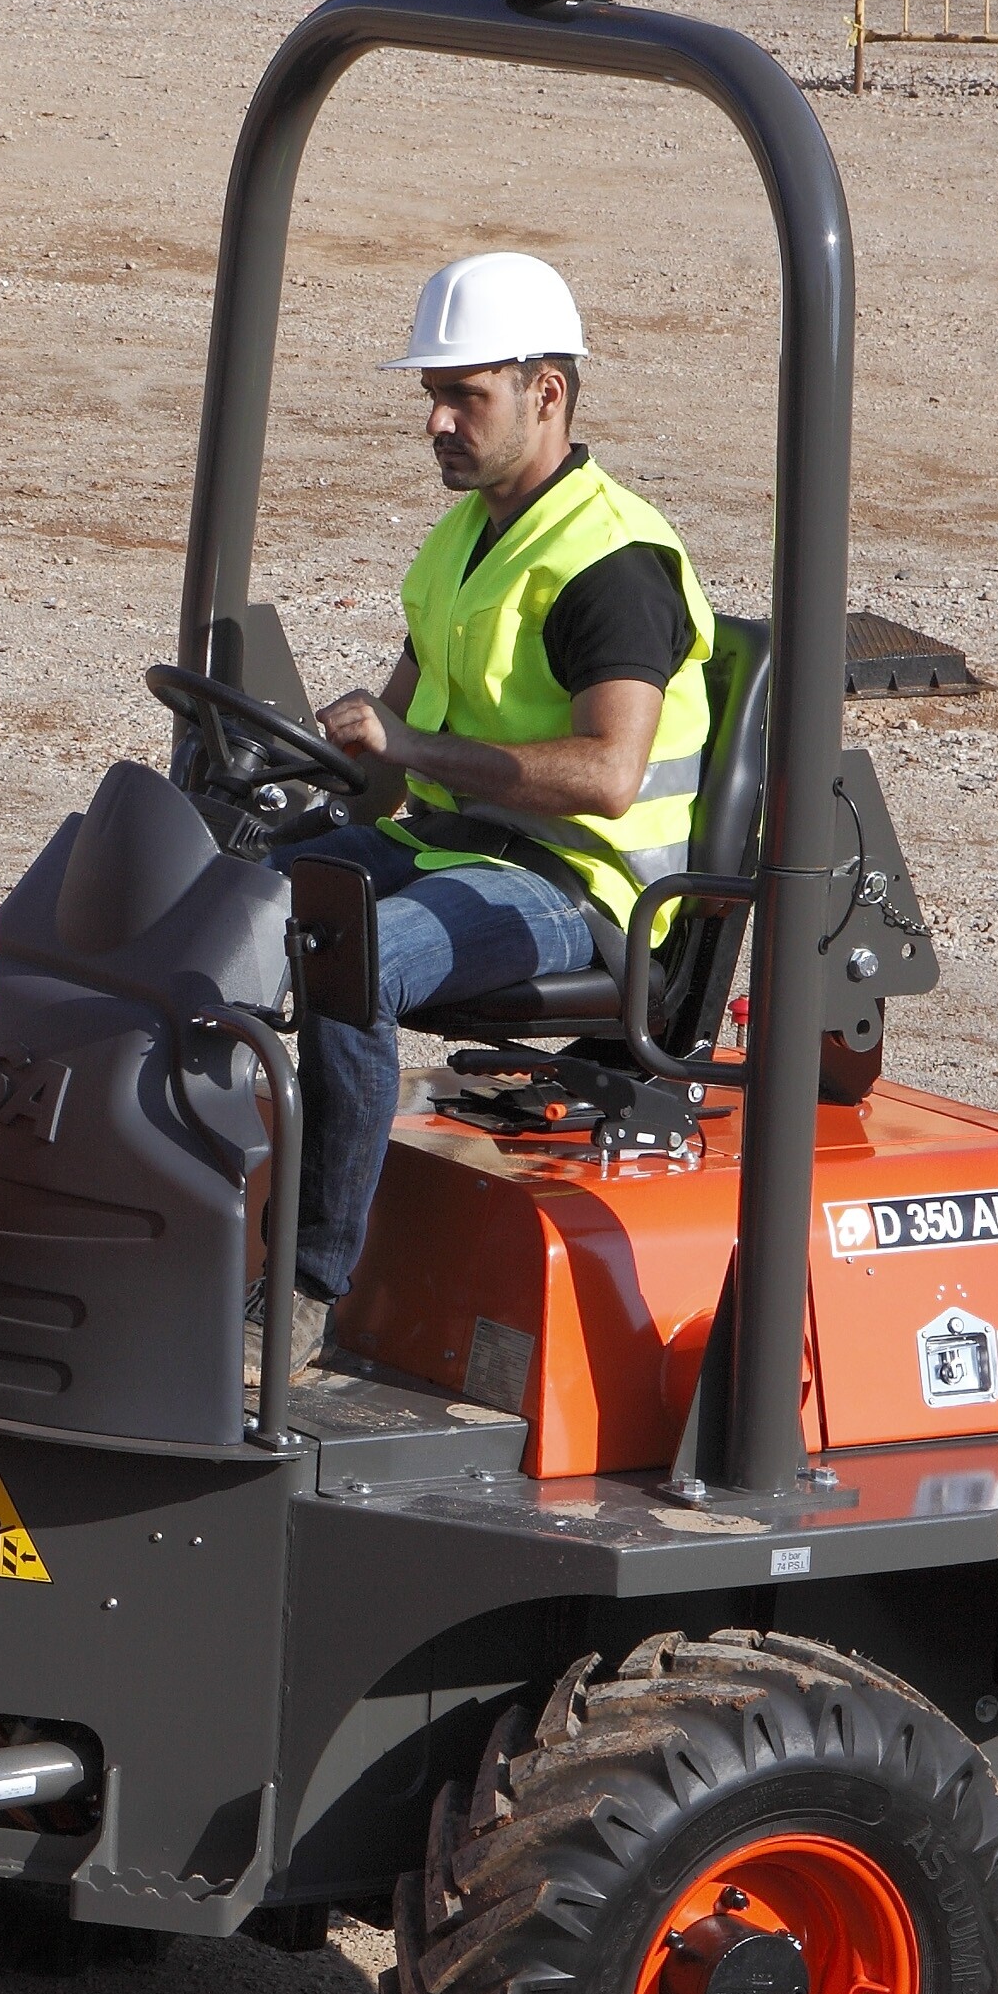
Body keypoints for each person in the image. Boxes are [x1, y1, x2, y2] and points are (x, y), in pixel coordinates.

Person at [276, 251, 719, 1373]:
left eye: (463, 394)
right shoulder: (465, 537)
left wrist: (411, 750)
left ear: (546, 394)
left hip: (579, 885)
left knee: (353, 952)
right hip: (457, 843)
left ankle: (306, 1285)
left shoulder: (610, 561)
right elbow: (388, 743)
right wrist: (284, 776)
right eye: (432, 394)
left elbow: (610, 772)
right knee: (223, 897)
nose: (435, 419)